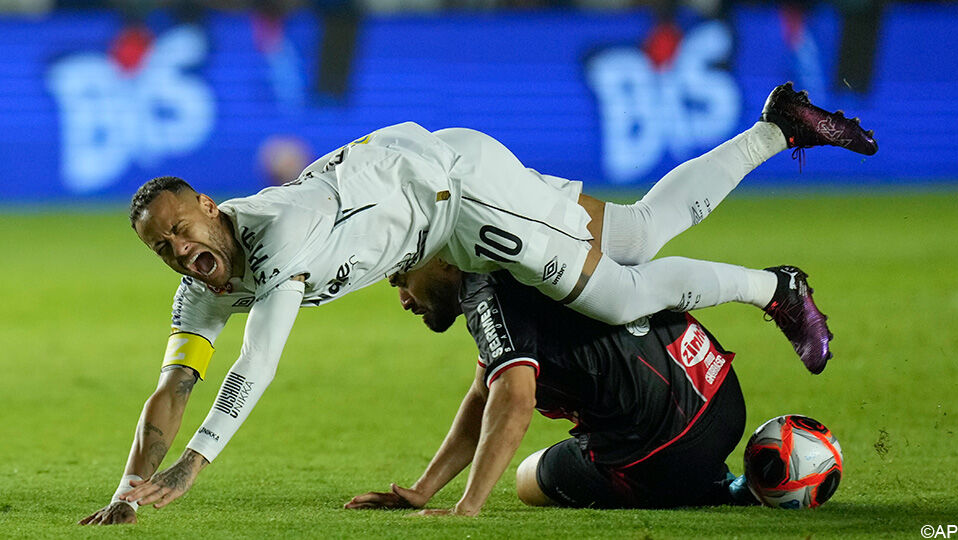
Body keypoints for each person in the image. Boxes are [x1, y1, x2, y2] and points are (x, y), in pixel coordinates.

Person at [79, 83, 873, 524]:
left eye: (184, 229)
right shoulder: (201, 284)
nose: (182, 251)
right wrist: (127, 491)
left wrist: (194, 466)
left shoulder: (280, 235)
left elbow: (261, 358)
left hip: (462, 200)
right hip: (438, 184)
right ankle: (778, 128)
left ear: (211, 208)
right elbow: (173, 388)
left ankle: (776, 287)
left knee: (618, 290)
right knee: (634, 230)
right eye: (165, 248)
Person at [346, 259, 760, 513]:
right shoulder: (523, 243)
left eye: (402, 279)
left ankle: (705, 484)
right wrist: (422, 490)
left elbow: (515, 398)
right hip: (720, 394)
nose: (403, 298)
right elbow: (483, 393)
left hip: (663, 450)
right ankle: (731, 475)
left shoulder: (483, 288)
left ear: (444, 260)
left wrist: (466, 506)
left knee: (530, 478)